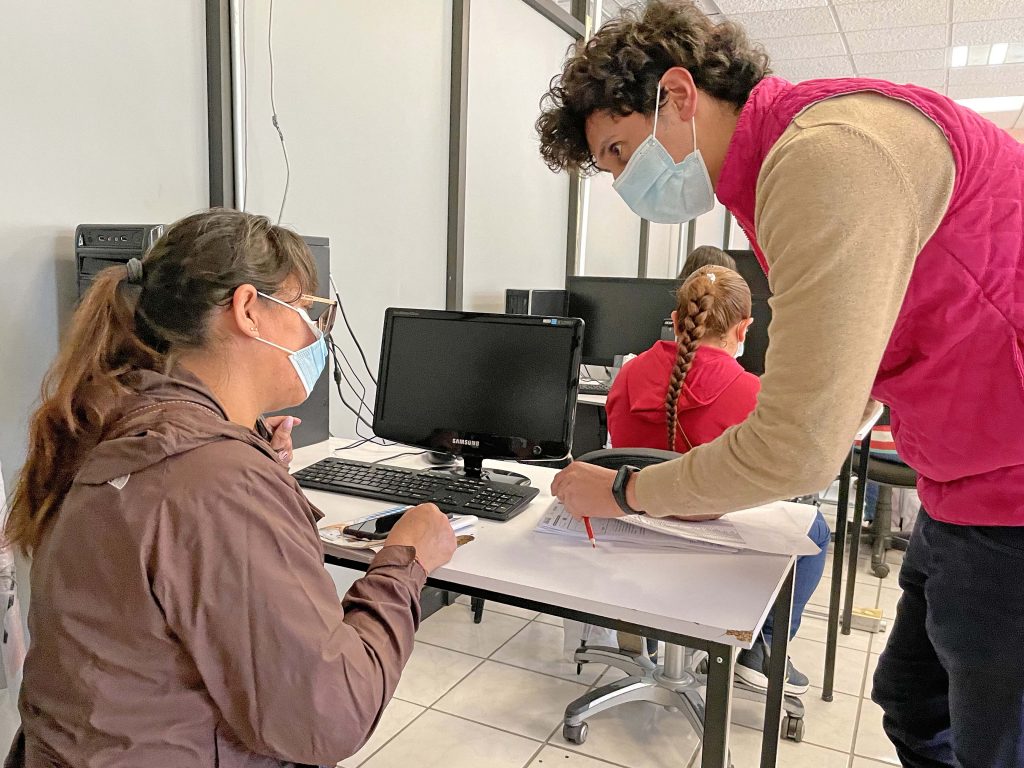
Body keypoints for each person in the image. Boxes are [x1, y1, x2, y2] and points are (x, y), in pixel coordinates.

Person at [537, 2, 1024, 765]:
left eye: (621, 152)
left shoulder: (824, 157)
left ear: (678, 95)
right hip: (966, 481)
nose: (626, 181)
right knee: (914, 703)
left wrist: (627, 492)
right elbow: (871, 359)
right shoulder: (783, 164)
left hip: (1009, 492)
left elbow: (800, 449)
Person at [3, 210, 456, 768]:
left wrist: (249, 455)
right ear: (248, 310)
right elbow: (331, 714)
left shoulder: (116, 425)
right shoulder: (213, 477)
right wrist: (404, 562)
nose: (317, 334)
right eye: (307, 310)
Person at [607, 265, 829, 694]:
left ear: (676, 321)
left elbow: (618, 452)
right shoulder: (752, 393)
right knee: (815, 527)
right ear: (744, 328)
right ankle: (761, 650)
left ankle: (643, 628)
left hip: (633, 529)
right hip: (711, 543)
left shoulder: (630, 374)